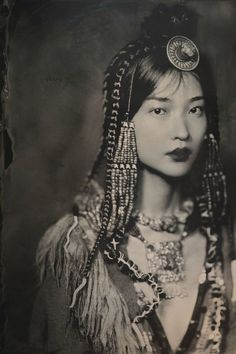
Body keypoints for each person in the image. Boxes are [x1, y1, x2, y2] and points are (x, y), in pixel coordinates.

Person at [29, 3, 236, 354]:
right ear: (126, 124)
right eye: (159, 110)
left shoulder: (225, 243)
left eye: (195, 109)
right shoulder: (76, 252)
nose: (182, 131)